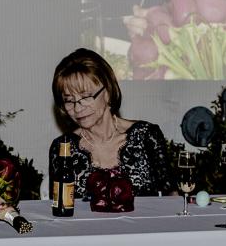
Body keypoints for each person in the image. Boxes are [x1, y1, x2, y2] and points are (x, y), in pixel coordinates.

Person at [47, 49, 173, 199]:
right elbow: (59, 205)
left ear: (107, 92)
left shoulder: (146, 136)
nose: (77, 108)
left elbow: (172, 198)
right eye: (69, 100)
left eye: (86, 97)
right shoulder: (63, 148)